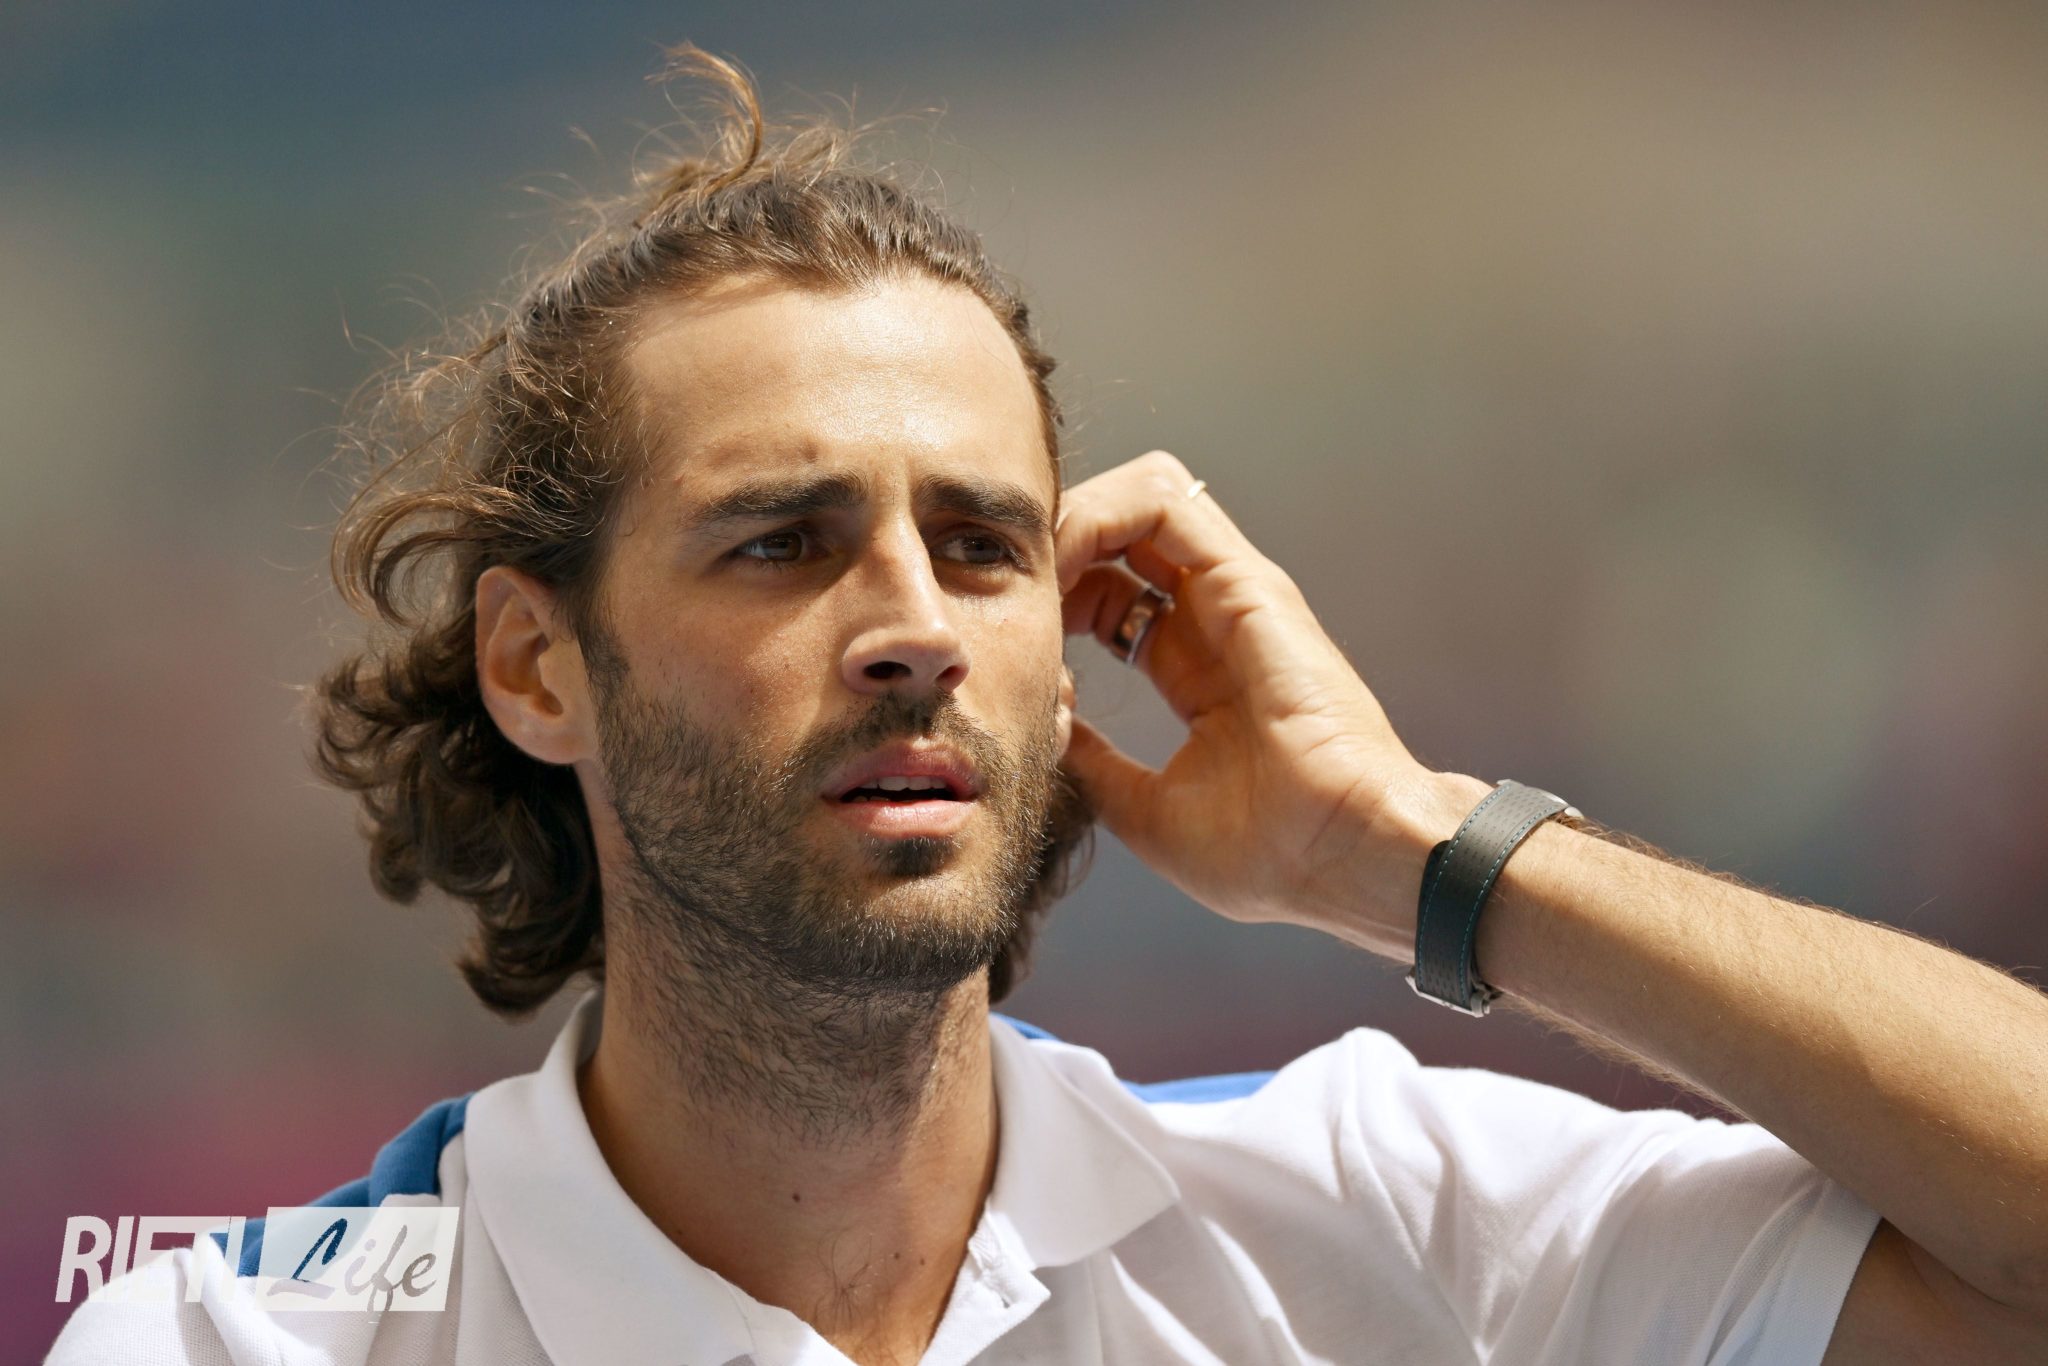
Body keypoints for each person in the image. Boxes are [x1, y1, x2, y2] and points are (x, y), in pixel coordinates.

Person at [47, 44, 2048, 1366]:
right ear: (534, 662)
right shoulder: (238, 1339)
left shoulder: (1383, 1216)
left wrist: (1418, 851)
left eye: (985, 542)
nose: (913, 622)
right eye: (781, 541)